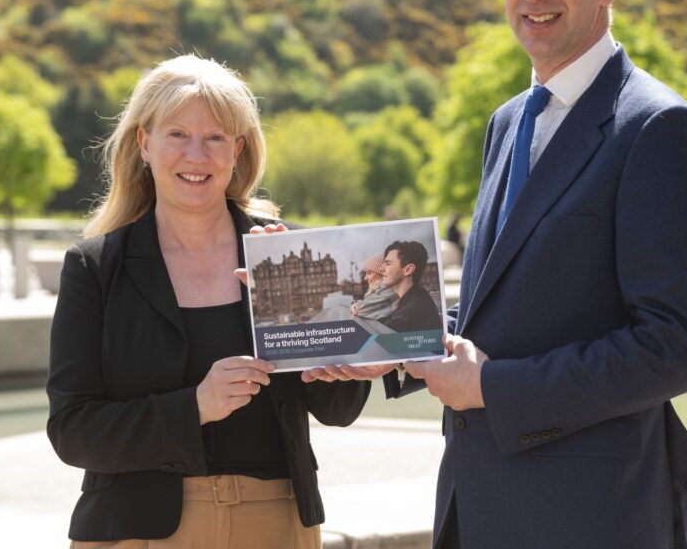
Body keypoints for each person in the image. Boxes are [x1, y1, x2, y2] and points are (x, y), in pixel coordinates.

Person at [306, 0, 687, 548]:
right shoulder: (507, 123)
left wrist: (492, 387)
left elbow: (674, 348)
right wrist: (392, 349)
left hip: (587, 518)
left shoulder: (660, 129)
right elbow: (502, 311)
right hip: (476, 506)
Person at [46, 55, 369, 548]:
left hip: (276, 524)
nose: (196, 155)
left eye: (216, 137)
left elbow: (337, 409)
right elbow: (72, 431)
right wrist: (194, 407)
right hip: (134, 532)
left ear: (237, 151)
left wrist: (332, 342)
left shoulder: (288, 253)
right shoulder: (95, 268)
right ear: (144, 144)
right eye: (177, 134)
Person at [377, 240, 443, 333]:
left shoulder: (408, 314)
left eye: (388, 263)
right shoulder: (418, 295)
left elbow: (381, 334)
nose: (381, 269)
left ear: (408, 270)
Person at [350, 252, 399, 321]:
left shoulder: (387, 290)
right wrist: (355, 303)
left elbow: (360, 310)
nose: (365, 278)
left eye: (369, 273)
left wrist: (356, 305)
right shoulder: (381, 290)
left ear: (382, 274)